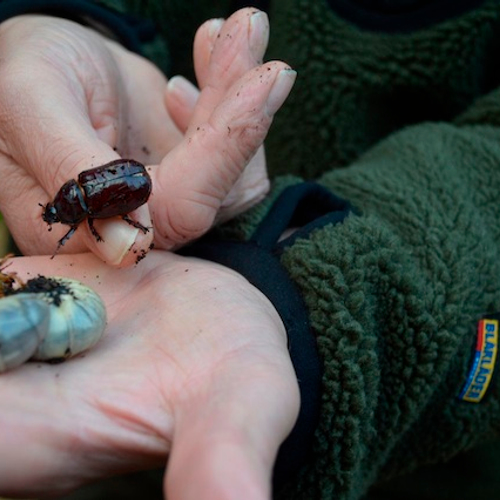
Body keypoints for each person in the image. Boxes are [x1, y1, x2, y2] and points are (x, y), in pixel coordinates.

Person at [0, 2, 500, 500]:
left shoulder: (84, 201)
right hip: (121, 435)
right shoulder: (79, 198)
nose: (60, 215)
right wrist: (64, 19)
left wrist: (295, 300)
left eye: (60, 213)